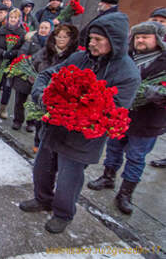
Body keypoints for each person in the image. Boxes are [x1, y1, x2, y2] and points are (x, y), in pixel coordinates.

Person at [20, 12, 140, 234]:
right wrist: (42, 96)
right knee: (42, 168)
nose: (91, 43)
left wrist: (75, 110)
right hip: (55, 128)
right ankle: (42, 199)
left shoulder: (127, 73)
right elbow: (48, 75)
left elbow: (113, 109)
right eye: (91, 38)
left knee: (69, 179)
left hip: (82, 138)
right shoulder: (80, 58)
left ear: (114, 41)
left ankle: (63, 213)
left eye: (97, 40)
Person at [87, 21, 166, 213]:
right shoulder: (126, 58)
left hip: (147, 122)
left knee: (136, 157)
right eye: (137, 36)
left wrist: (160, 96)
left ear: (158, 39)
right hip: (120, 116)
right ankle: (108, 177)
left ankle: (125, 193)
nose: (140, 40)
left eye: (145, 37)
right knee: (113, 149)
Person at [31, 24, 79, 152]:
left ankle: (47, 146)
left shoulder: (74, 56)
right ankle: (37, 142)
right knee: (39, 118)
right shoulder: (47, 51)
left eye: (65, 37)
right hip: (42, 90)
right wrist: (35, 78)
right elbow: (34, 63)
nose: (61, 39)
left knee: (52, 121)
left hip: (60, 95)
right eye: (59, 36)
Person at [11, 20, 52, 131]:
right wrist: (29, 63)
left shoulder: (51, 44)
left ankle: (31, 122)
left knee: (36, 101)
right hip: (25, 73)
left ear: (50, 30)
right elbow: (22, 53)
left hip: (41, 76)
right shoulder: (30, 39)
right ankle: (17, 120)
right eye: (42, 27)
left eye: (46, 28)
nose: (43, 30)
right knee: (20, 100)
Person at [0, 8, 26, 118]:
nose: (13, 19)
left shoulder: (22, 33)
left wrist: (12, 53)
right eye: (11, 17)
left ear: (19, 19)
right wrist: (2, 52)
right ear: (8, 18)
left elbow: (23, 49)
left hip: (11, 67)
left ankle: (3, 108)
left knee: (7, 88)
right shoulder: (1, 31)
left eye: (15, 17)